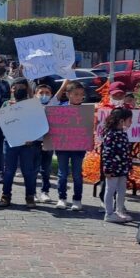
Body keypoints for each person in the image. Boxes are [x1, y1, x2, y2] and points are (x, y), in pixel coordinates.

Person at [50, 81, 88, 211]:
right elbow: (50, 107)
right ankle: (62, 198)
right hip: (62, 147)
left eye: (81, 95)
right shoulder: (60, 108)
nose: (79, 97)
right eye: (76, 94)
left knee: (77, 174)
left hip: (78, 148)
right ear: (68, 94)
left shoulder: (86, 111)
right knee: (62, 174)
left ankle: (77, 199)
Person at [101, 107, 134, 223]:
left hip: (123, 168)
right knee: (110, 190)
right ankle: (109, 213)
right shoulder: (111, 135)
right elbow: (107, 153)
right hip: (113, 169)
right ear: (121, 121)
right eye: (129, 120)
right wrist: (108, 168)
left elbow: (126, 152)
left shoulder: (123, 134)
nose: (131, 123)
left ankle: (119, 211)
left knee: (122, 190)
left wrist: (129, 166)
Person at [33, 84, 55, 203]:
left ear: (51, 95)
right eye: (41, 93)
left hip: (48, 141)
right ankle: (33, 193)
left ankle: (45, 192)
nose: (44, 95)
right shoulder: (31, 108)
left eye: (47, 93)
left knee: (46, 168)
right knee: (33, 168)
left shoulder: (54, 107)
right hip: (34, 142)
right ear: (35, 95)